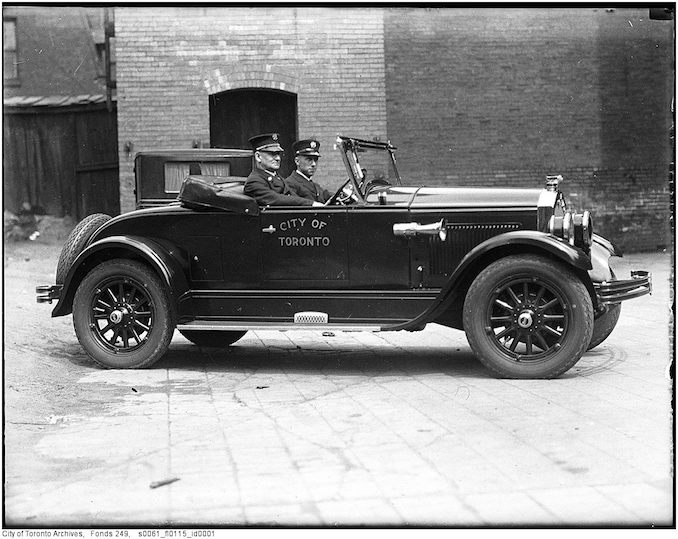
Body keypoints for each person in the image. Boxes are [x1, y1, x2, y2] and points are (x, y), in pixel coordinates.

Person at [243, 133, 323, 207]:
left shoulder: (278, 178)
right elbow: (276, 199)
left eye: (278, 154)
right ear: (258, 157)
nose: (278, 158)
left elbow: (294, 197)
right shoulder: (254, 181)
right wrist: (311, 204)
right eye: (272, 154)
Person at [284, 139, 332, 203]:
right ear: (297, 161)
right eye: (309, 159)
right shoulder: (290, 184)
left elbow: (328, 196)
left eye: (315, 160)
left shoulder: (316, 186)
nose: (313, 164)